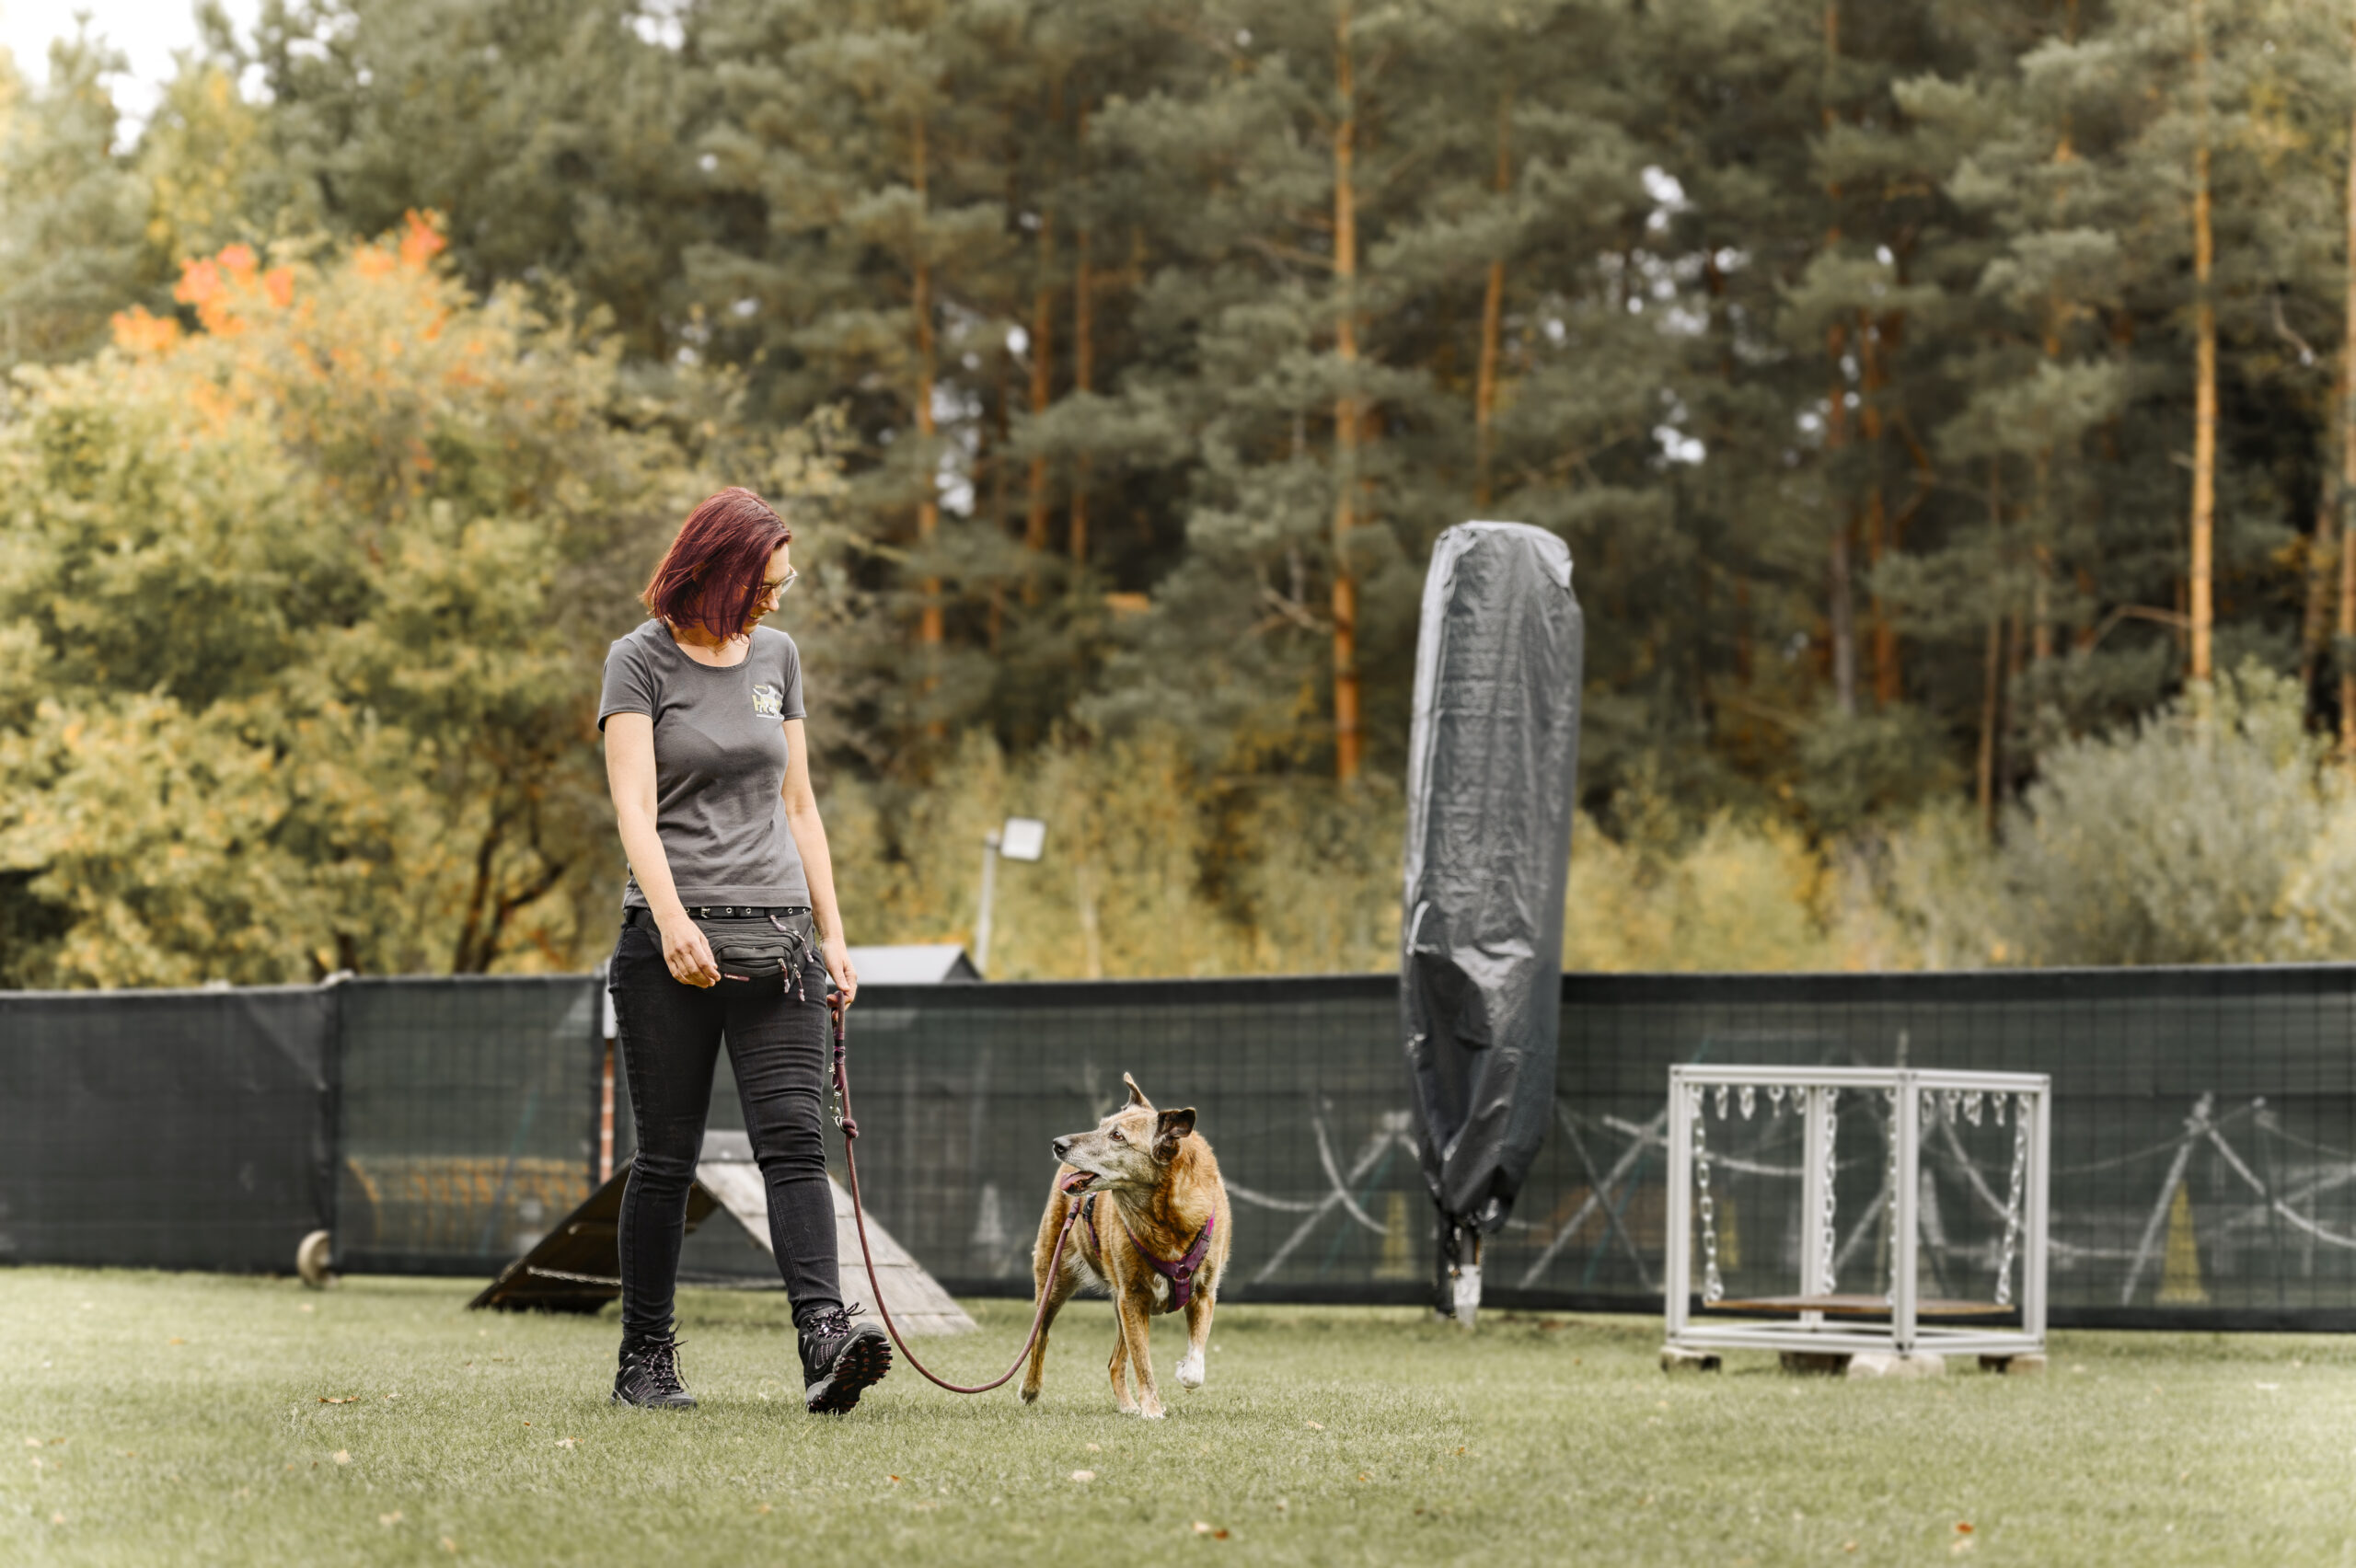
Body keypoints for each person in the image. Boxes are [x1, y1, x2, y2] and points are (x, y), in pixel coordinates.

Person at [597, 487, 890, 1415]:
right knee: (667, 1159)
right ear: (719, 573)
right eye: (766, 582)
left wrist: (835, 933)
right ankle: (645, 1361)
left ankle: (825, 1344)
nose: (777, 597)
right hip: (670, 951)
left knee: (796, 1147)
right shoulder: (635, 663)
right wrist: (674, 919)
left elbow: (799, 806)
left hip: (782, 949)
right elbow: (634, 810)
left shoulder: (778, 657)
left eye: (784, 580)